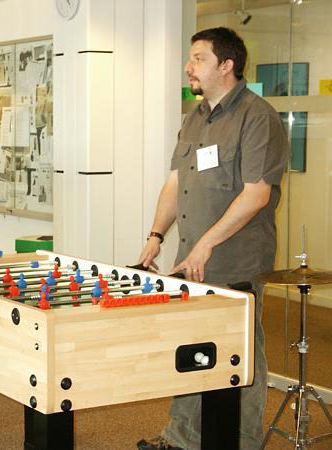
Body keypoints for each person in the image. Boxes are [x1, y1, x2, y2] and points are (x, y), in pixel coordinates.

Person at [136, 27, 289, 450]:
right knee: (189, 347)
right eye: (191, 58)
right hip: (192, 259)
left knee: (239, 354)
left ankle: (241, 442)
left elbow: (256, 193)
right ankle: (181, 438)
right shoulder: (194, 117)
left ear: (227, 65)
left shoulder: (258, 118)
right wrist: (156, 235)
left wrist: (206, 242)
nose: (189, 67)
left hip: (236, 260)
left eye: (198, 58)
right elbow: (174, 183)